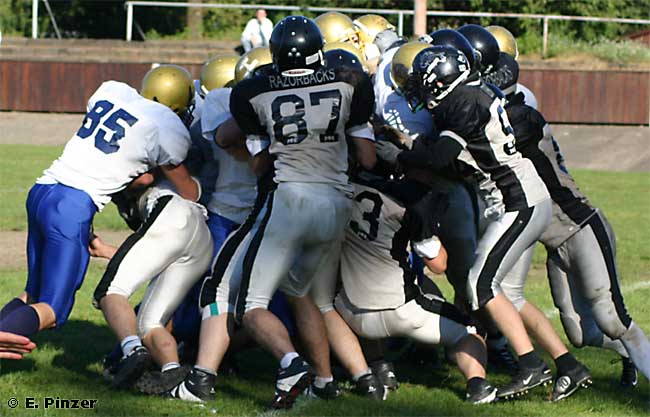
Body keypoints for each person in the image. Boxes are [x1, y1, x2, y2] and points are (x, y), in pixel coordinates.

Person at [211, 15, 376, 409]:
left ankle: (291, 364)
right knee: (303, 294)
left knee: (249, 306)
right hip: (337, 204)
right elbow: (368, 157)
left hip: (291, 201)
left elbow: (259, 167)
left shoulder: (254, 91)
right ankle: (324, 381)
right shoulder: (349, 82)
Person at [0, 65, 199, 342]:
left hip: (42, 190)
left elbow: (127, 164)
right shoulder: (166, 126)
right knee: (52, 309)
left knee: (32, 294)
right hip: (72, 205)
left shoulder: (114, 92)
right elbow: (189, 192)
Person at [399, 45, 554, 400]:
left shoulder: (462, 102)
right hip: (518, 198)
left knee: (480, 285)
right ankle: (566, 366)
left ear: (441, 81)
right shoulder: (472, 94)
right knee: (494, 288)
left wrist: (403, 154)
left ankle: (531, 364)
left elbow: (439, 158)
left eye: (424, 81)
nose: (420, 89)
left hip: (516, 200)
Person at [494, 63, 650, 391]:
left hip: (581, 228)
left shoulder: (523, 120)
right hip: (555, 243)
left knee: (612, 317)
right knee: (581, 334)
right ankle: (630, 354)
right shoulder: (510, 119)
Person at [335, 167, 498, 404]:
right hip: (403, 310)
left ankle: (380, 368)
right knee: (472, 329)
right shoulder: (408, 203)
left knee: (336, 300)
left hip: (353, 313)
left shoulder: (341, 191)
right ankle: (477, 386)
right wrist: (433, 231)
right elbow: (438, 265)